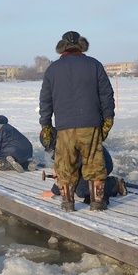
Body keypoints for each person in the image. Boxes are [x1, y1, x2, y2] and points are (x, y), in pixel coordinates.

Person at [39, 31, 115, 212]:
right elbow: (107, 95)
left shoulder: (52, 69)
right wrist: (107, 121)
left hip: (64, 128)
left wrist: (46, 126)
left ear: (62, 48)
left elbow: (45, 101)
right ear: (81, 46)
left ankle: (67, 204)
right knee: (95, 165)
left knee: (65, 167)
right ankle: (97, 204)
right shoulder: (94, 65)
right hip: (91, 125)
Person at [41, 146, 127, 204]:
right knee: (76, 186)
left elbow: (70, 171)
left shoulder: (69, 144)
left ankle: (114, 183)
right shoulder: (64, 141)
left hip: (100, 164)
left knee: (81, 190)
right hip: (87, 165)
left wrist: (54, 191)